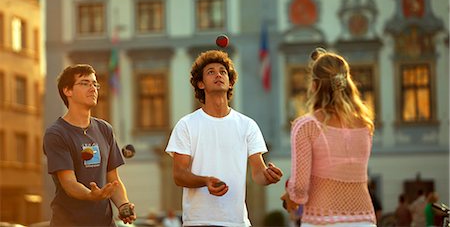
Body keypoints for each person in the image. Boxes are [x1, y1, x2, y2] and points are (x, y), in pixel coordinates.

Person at [165, 50, 283, 227]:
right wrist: (205, 181)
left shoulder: (247, 125)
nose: (218, 74)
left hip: (237, 221)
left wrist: (268, 176)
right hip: (199, 221)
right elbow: (179, 175)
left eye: (223, 71)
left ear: (230, 83)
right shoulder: (187, 124)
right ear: (201, 84)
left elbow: (258, 174)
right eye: (210, 72)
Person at [281, 48, 377, 227]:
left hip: (322, 218)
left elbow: (300, 188)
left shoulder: (307, 125)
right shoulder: (365, 124)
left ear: (315, 86)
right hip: (364, 218)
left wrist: (290, 196)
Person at [43, 64, 136, 226]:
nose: (93, 88)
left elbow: (113, 179)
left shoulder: (104, 129)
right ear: (67, 91)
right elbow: (69, 183)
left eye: (95, 84)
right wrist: (91, 195)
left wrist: (123, 205)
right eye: (85, 83)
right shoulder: (56, 133)